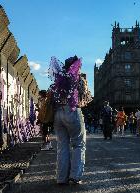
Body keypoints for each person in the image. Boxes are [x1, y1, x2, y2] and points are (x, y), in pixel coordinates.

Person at [50, 56, 91, 185]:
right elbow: (86, 96)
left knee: (62, 146)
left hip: (58, 113)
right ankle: (75, 176)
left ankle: (61, 178)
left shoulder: (59, 78)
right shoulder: (78, 78)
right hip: (72, 112)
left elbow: (52, 96)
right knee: (78, 145)